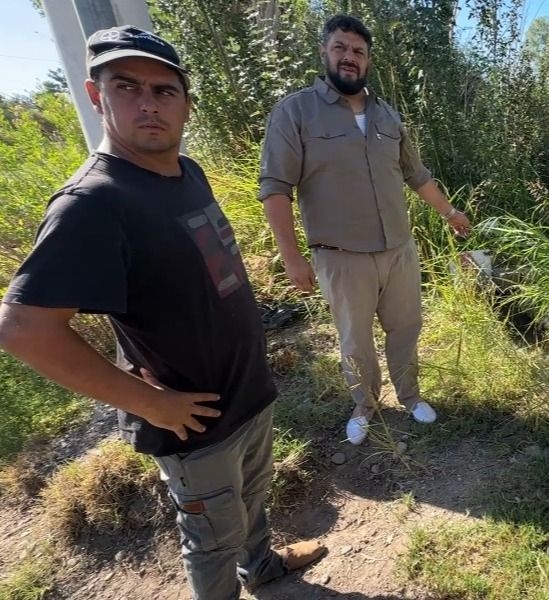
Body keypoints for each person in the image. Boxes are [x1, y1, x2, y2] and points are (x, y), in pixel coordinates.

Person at [0, 26, 325, 600]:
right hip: (194, 424)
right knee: (209, 539)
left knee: (251, 498)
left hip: (245, 392)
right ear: (97, 96)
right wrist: (150, 403)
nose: (148, 103)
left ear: (185, 105)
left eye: (164, 90)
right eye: (127, 87)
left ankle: (264, 567)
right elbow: (24, 328)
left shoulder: (187, 171)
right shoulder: (93, 203)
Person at [259, 15, 472, 446]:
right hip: (341, 255)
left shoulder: (387, 115)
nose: (349, 58)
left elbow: (417, 175)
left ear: (368, 60)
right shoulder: (296, 112)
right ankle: (365, 404)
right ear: (324, 52)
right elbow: (275, 186)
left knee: (406, 326)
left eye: (358, 51)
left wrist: (450, 212)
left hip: (398, 249)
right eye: (340, 48)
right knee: (355, 338)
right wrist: (292, 256)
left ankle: (411, 396)